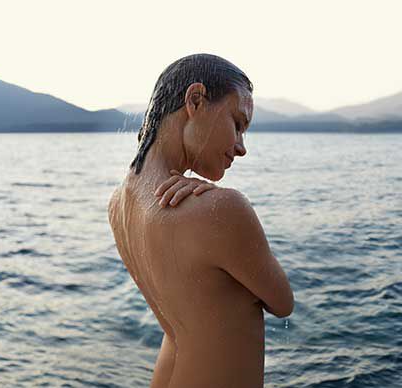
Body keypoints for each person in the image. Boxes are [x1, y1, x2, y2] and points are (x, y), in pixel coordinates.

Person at [107, 54, 294, 388]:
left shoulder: (119, 204)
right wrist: (216, 199)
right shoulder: (220, 210)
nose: (241, 147)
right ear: (195, 100)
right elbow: (282, 302)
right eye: (238, 124)